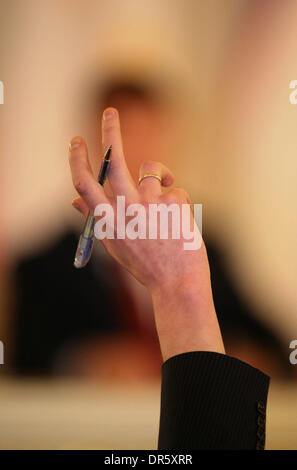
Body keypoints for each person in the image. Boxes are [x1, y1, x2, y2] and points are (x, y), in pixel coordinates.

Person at [68, 107, 270, 450]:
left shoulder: (209, 242)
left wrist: (229, 356)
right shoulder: (40, 261)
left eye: (153, 132)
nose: (141, 147)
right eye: (128, 134)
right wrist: (79, 361)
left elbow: (267, 340)